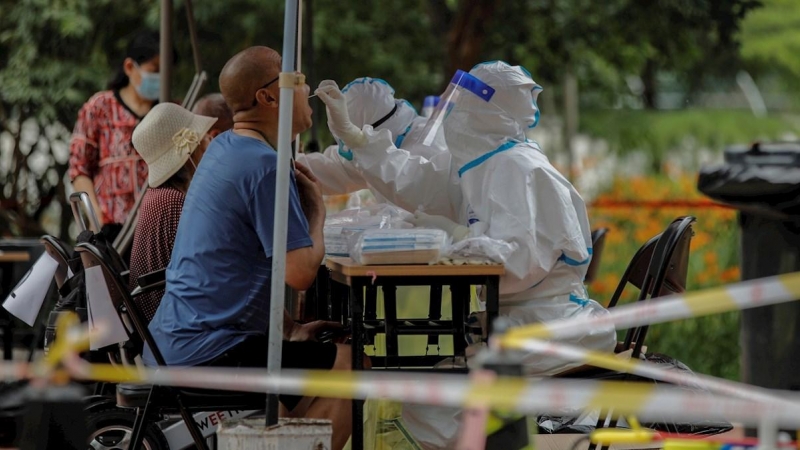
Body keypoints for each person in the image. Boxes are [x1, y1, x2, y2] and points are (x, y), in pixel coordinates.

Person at [317, 61, 616, 447]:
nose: (451, 114)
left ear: (487, 110)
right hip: (517, 321)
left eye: (460, 103)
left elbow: (519, 262)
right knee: (428, 395)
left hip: (546, 326)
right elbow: (418, 185)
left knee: (431, 402)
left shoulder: (519, 169)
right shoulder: (487, 162)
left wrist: (459, 239)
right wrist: (359, 140)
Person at [144, 46, 358, 450]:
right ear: (268, 96)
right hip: (208, 353)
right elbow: (299, 273)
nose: (308, 88)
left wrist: (290, 330)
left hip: (177, 342)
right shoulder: (263, 167)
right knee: (352, 366)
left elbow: (229, 268)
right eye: (298, 81)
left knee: (308, 382)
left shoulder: (225, 148)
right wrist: (317, 212)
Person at [69, 30, 176, 229]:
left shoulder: (172, 113)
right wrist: (96, 219)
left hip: (158, 230)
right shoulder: (99, 108)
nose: (160, 78)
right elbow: (79, 168)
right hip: (111, 228)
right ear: (129, 67)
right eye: (154, 71)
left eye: (166, 72)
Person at [127, 103, 217, 321]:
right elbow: (205, 269)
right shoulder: (175, 201)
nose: (210, 142)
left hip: (158, 319)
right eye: (204, 137)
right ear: (190, 150)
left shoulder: (159, 196)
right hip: (171, 322)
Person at [298, 77, 447, 201]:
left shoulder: (430, 144)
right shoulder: (371, 151)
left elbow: (410, 189)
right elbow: (329, 169)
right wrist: (283, 160)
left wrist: (359, 142)